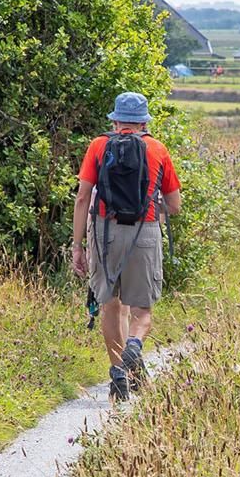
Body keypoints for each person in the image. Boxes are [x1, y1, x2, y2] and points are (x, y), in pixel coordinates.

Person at [71, 92, 181, 402]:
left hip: (104, 231)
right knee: (142, 310)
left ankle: (119, 373)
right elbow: (174, 205)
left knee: (110, 304)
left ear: (115, 120)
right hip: (144, 232)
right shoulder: (158, 149)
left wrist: (77, 245)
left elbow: (82, 198)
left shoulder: (98, 146)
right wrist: (152, 205)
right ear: (145, 122)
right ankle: (135, 346)